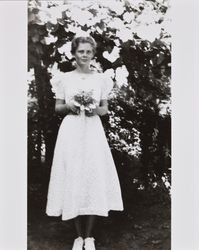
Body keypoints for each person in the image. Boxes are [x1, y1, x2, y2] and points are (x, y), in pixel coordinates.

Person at [46, 36, 124, 250]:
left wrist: (92, 109)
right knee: (73, 175)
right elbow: (57, 108)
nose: (85, 55)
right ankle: (78, 236)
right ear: (74, 53)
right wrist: (71, 105)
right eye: (81, 51)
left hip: (92, 131)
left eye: (89, 52)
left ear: (93, 54)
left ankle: (89, 236)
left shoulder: (101, 80)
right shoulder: (64, 79)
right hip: (71, 131)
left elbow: (104, 109)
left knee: (91, 176)